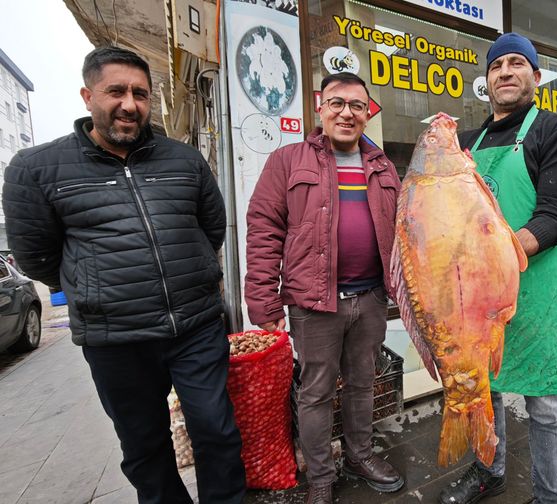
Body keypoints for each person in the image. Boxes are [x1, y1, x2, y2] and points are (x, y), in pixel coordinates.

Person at [1, 47, 245, 503]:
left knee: (217, 431)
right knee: (144, 448)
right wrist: (101, 289)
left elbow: (213, 225)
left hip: (195, 326)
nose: (129, 104)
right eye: (116, 91)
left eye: (140, 94)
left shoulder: (183, 159)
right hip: (116, 337)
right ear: (87, 94)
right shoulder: (36, 169)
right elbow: (36, 257)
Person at [440, 33, 557, 504]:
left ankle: (550, 496)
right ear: (487, 80)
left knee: (544, 402)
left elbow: (555, 216)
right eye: (497, 65)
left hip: (533, 290)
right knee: (484, 388)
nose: (506, 71)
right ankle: (490, 470)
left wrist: (498, 253)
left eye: (517, 63)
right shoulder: (466, 143)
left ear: (536, 76)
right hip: (474, 297)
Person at [244, 72, 404, 504]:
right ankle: (320, 476)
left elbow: (405, 232)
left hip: (371, 298)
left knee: (362, 384)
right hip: (314, 303)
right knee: (315, 391)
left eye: (356, 105)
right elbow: (263, 230)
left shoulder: (383, 166)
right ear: (320, 106)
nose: (346, 113)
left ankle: (360, 456)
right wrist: (263, 300)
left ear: (367, 114)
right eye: (337, 103)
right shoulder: (288, 161)